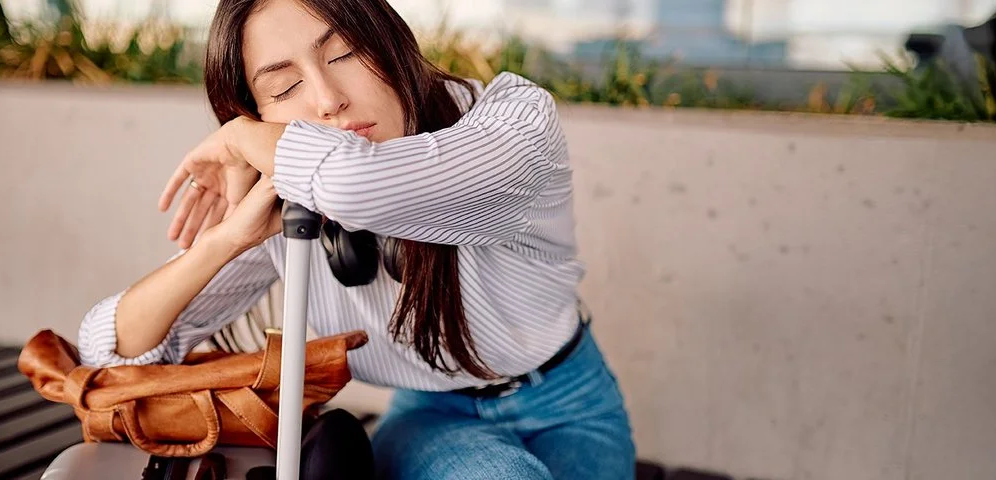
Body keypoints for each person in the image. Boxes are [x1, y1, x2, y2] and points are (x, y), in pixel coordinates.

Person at [77, 0, 636, 477]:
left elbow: (354, 183)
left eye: (344, 53)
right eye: (285, 85)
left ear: (390, 40)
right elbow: (111, 351)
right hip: (432, 416)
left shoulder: (516, 122)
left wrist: (246, 134)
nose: (326, 98)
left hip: (573, 399)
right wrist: (222, 243)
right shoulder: (286, 196)